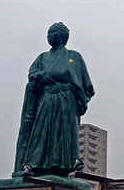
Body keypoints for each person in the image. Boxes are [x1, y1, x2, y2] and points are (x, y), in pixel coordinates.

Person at [13, 22, 94, 177]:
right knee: (40, 132)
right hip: (47, 98)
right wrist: (44, 75)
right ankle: (33, 164)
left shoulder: (74, 57)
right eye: (48, 33)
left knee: (63, 134)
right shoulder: (42, 57)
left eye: (53, 32)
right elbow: (32, 74)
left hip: (66, 100)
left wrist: (77, 100)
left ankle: (63, 166)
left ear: (63, 36)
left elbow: (86, 85)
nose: (49, 36)